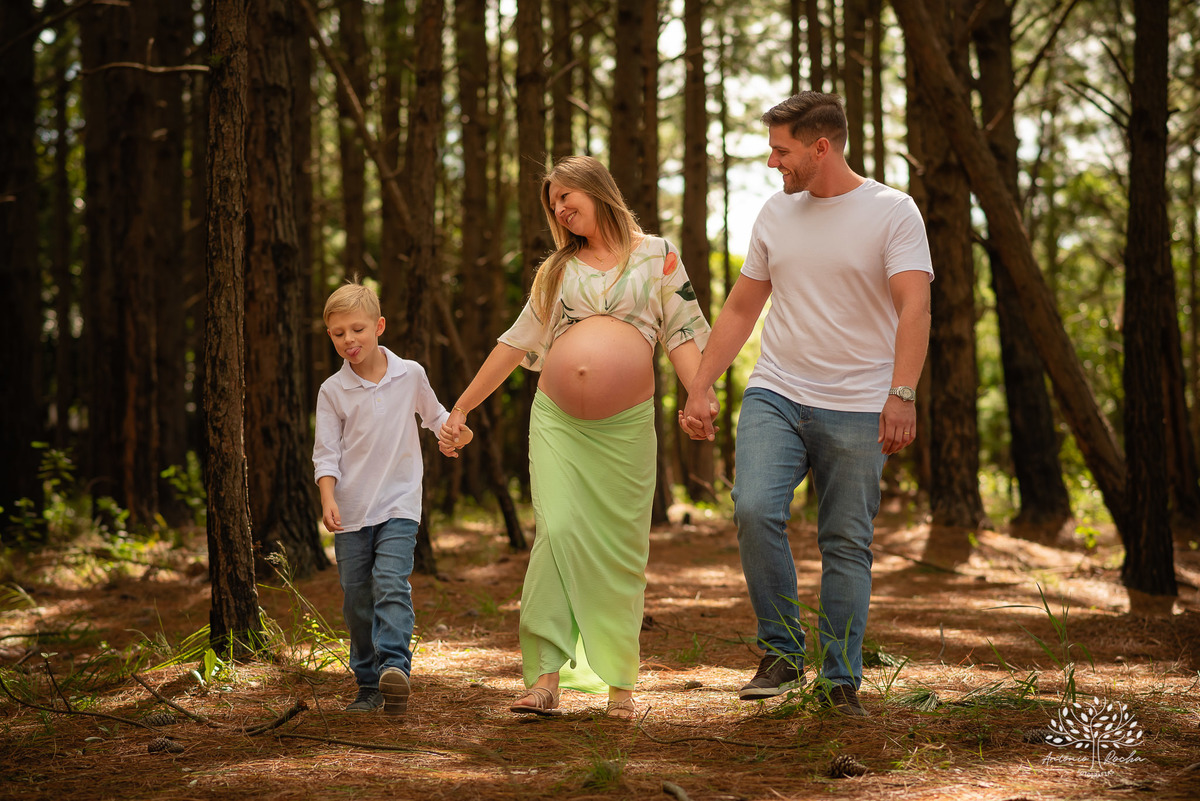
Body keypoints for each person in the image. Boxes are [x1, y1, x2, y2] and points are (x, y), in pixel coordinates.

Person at [680, 92, 933, 717]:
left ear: (822, 147)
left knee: (845, 541)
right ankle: (783, 650)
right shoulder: (776, 213)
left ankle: (841, 677)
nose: (773, 163)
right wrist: (700, 384)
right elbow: (743, 306)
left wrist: (902, 393)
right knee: (753, 510)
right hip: (778, 390)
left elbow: (914, 307)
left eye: (782, 150)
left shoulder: (892, 212)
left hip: (858, 403)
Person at [439, 155, 713, 719]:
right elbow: (516, 343)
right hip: (557, 422)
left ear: (597, 189)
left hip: (625, 427)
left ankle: (620, 686)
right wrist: (461, 407)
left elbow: (683, 332)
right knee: (556, 532)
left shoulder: (657, 255)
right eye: (553, 202)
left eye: (567, 195)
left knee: (620, 548)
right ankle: (543, 683)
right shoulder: (557, 270)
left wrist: (697, 396)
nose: (560, 208)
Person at [313, 280, 472, 716]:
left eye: (358, 329)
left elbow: (436, 417)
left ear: (379, 326)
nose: (350, 340)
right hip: (350, 511)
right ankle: (368, 684)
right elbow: (325, 454)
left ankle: (395, 670)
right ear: (330, 336)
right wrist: (328, 497)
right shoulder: (333, 391)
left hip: (400, 504)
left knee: (390, 584)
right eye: (339, 333)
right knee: (356, 600)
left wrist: (454, 434)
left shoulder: (410, 374)